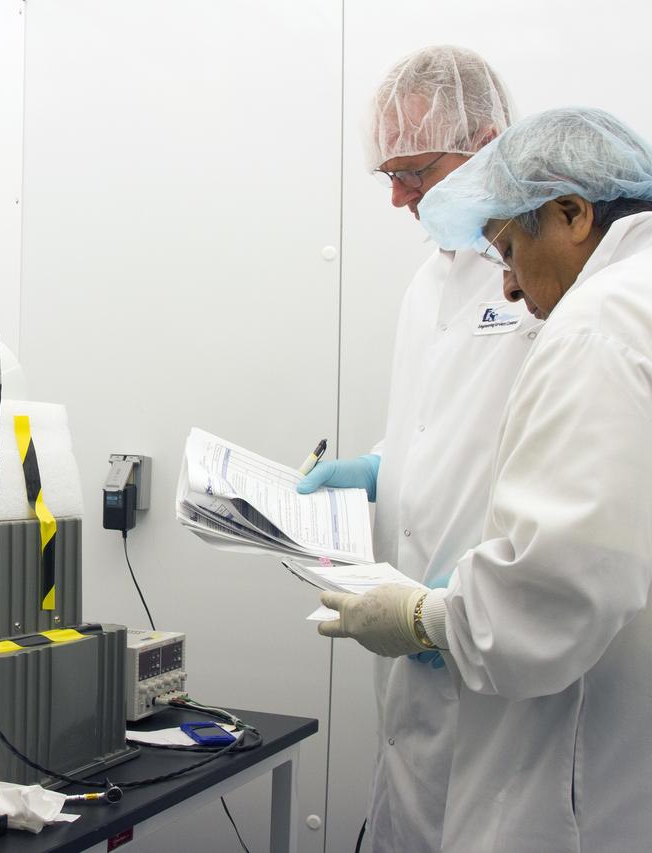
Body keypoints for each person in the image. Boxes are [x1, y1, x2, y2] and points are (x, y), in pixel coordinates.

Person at [320, 106, 652, 851]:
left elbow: (555, 588)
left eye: (507, 251)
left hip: (573, 770)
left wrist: (424, 618)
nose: (505, 287)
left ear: (571, 214)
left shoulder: (598, 323)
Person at [296, 46, 530, 851]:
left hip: (500, 657)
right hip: (410, 666)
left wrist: (443, 613)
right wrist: (373, 469)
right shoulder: (427, 284)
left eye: (416, 171)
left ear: (490, 144)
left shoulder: (544, 283)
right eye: (386, 175)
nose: (396, 197)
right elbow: (439, 428)